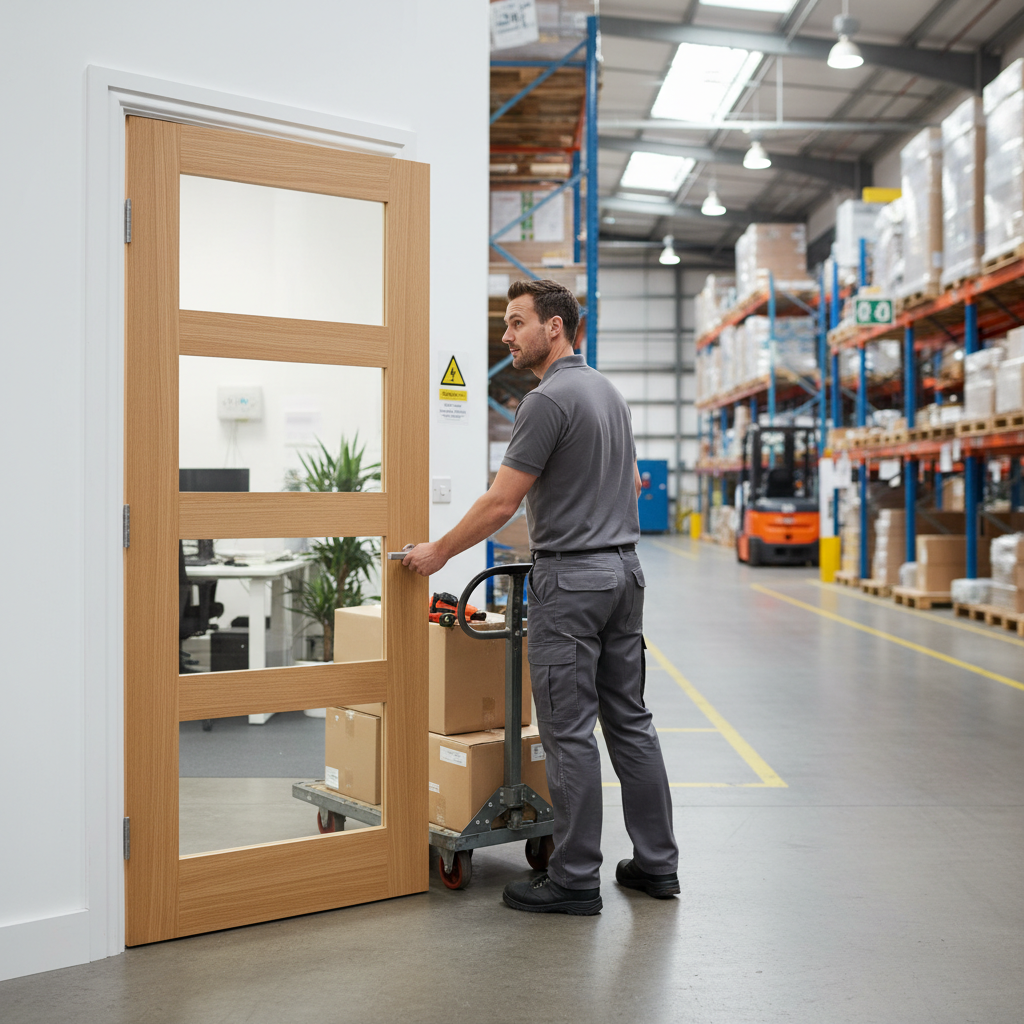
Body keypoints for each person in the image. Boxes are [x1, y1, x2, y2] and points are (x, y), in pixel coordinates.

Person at [402, 279, 678, 915]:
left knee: (568, 730)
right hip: (624, 574)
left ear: (555, 328)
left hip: (574, 582)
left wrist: (438, 552)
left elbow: (502, 501)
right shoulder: (608, 392)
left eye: (517, 322)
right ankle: (657, 864)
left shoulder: (547, 400)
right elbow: (630, 482)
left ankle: (575, 876)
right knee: (630, 724)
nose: (507, 335)